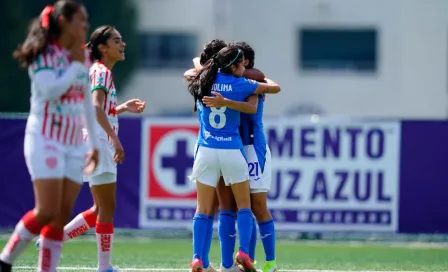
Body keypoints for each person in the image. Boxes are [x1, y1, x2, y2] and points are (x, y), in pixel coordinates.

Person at [35, 25, 146, 272]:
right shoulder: (102, 71)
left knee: (99, 208)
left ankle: (49, 240)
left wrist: (122, 108)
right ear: (103, 47)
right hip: (99, 140)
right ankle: (104, 267)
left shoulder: (97, 71)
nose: (123, 44)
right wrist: (114, 140)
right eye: (117, 40)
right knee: (107, 209)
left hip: (92, 139)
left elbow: (97, 109)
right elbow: (95, 108)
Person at [0, 1, 100, 272]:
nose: (85, 26)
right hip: (45, 138)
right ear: (65, 21)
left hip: (74, 144)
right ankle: (5, 259)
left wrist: (93, 143)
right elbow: (52, 90)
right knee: (45, 210)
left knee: (60, 216)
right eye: (81, 19)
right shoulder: (43, 52)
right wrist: (76, 68)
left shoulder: (83, 56)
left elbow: (85, 104)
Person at [187, 45, 280, 272]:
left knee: (208, 208)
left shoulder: (204, 79)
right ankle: (237, 259)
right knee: (238, 207)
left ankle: (200, 258)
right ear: (237, 64)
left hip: (213, 148)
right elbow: (274, 89)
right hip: (234, 148)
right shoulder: (240, 83)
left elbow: (191, 69)